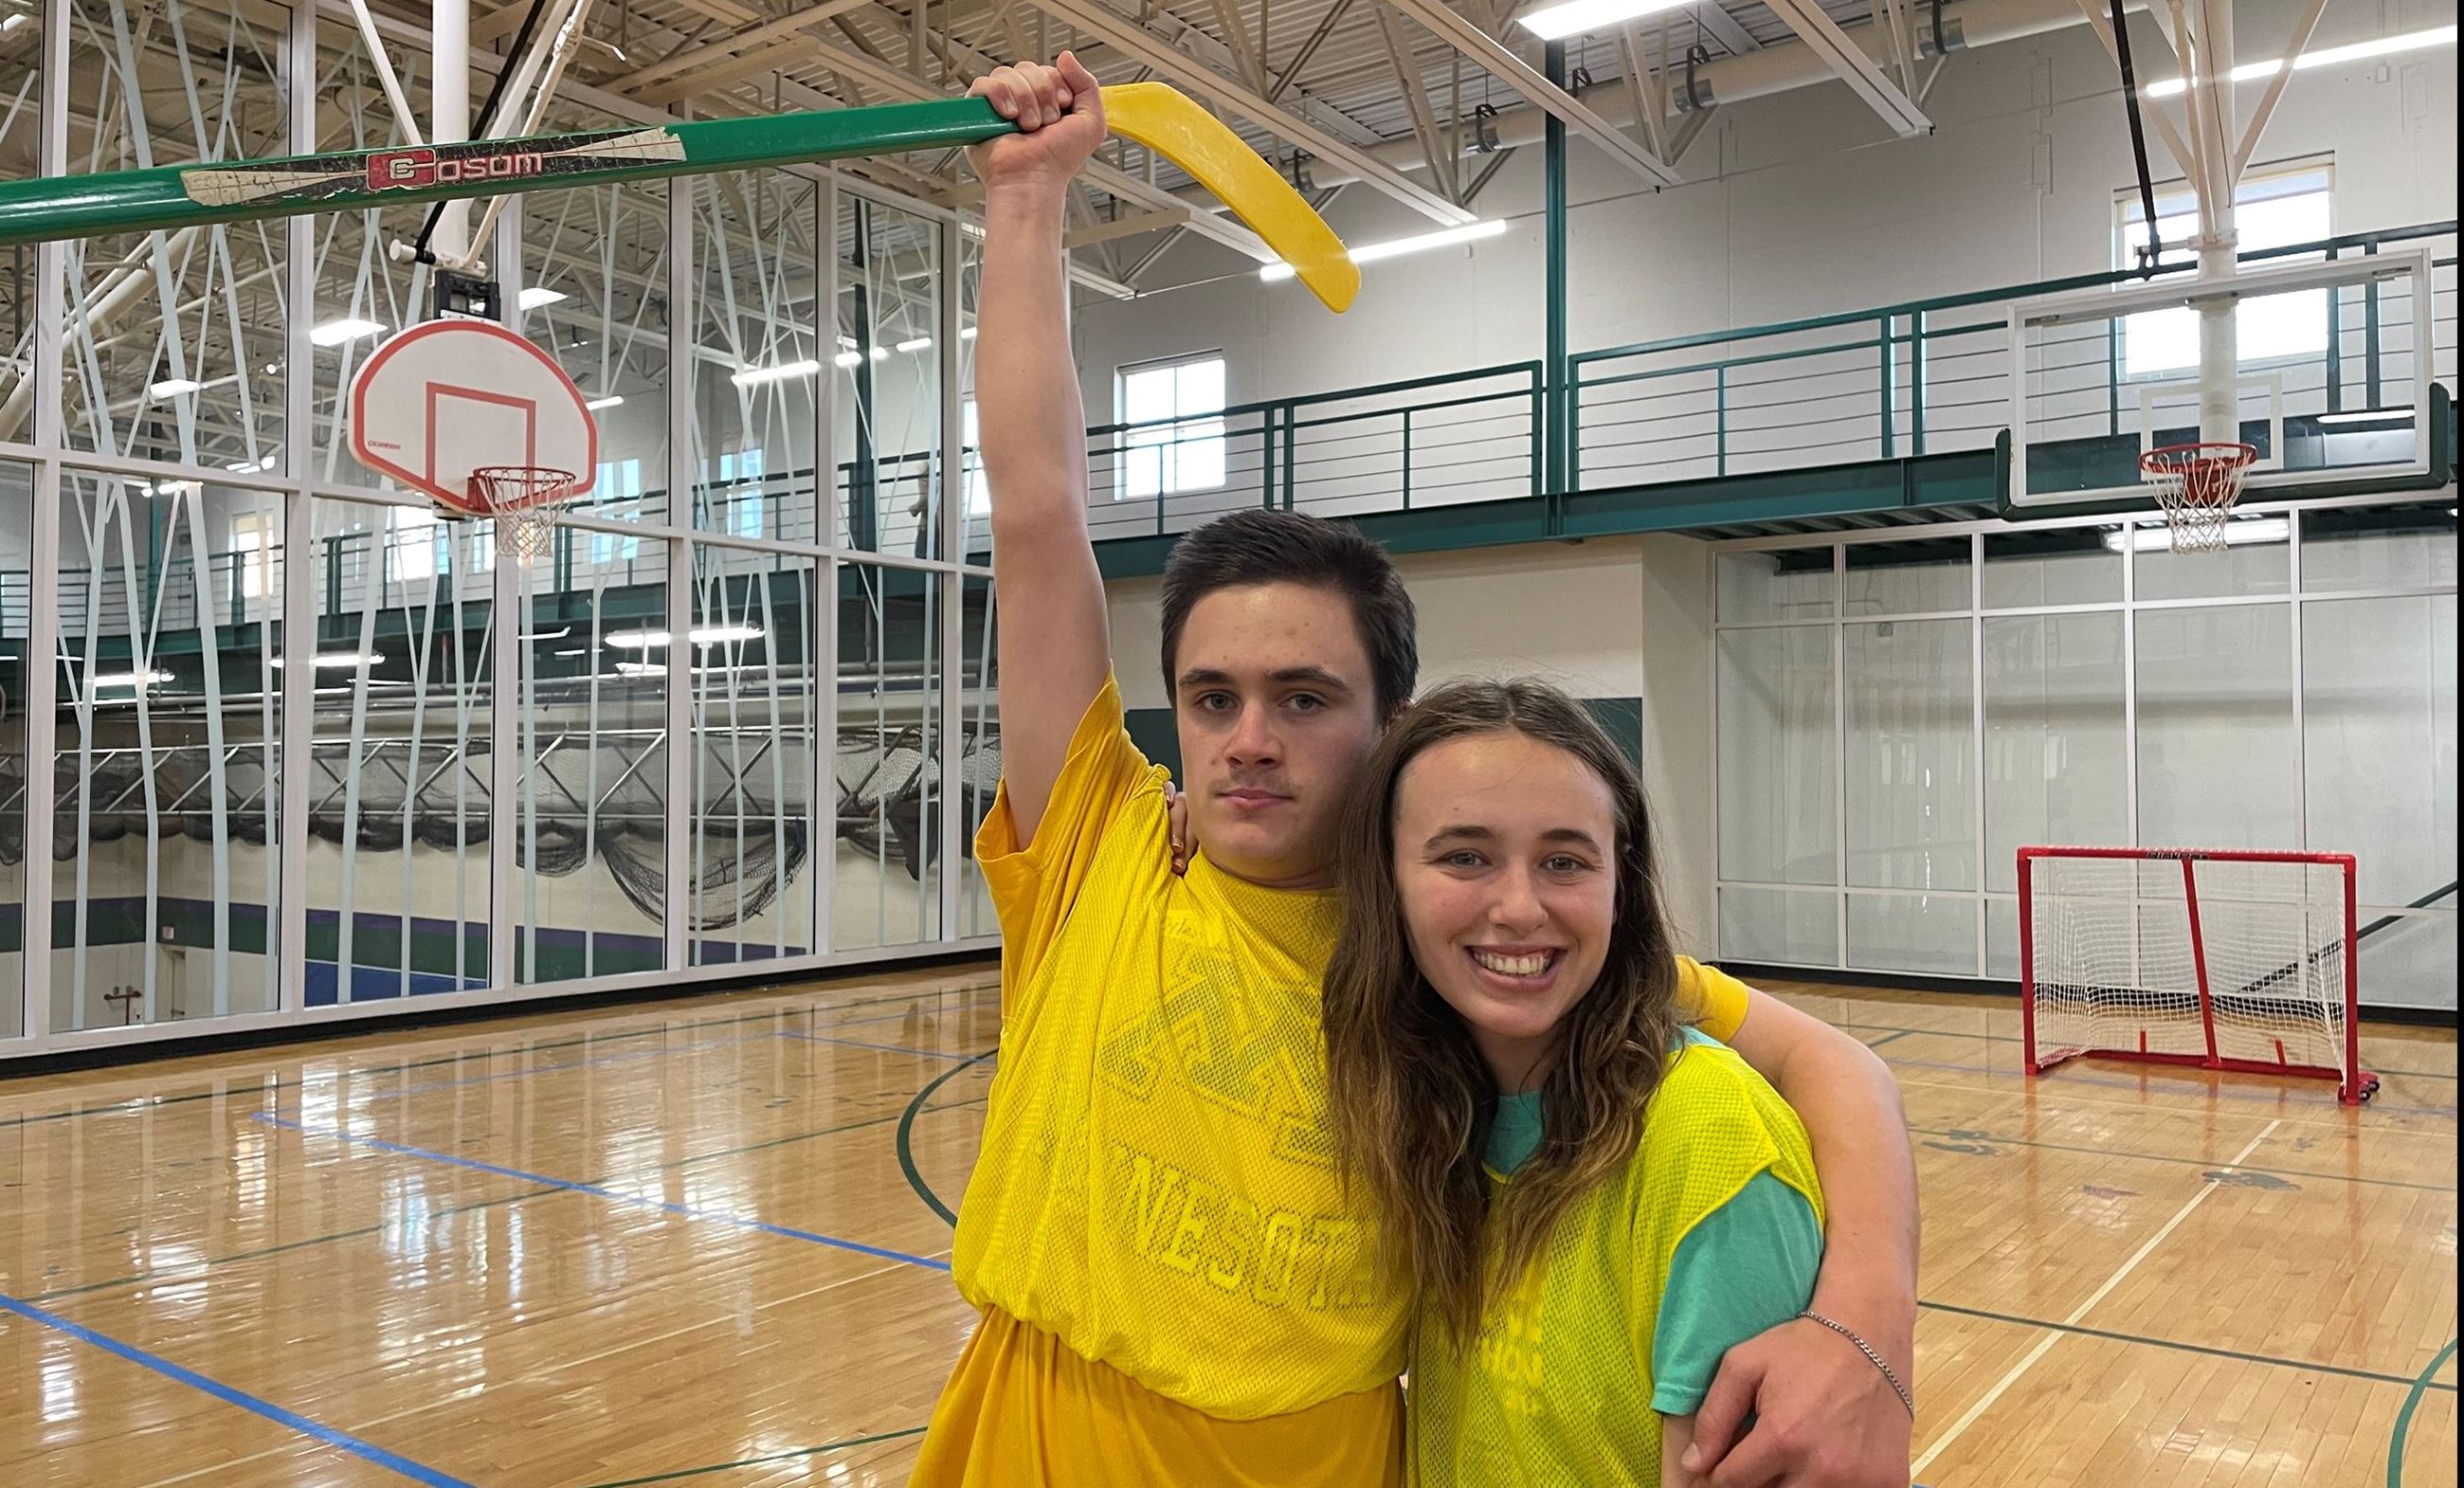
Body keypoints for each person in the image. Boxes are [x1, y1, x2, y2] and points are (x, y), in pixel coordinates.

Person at [910, 53, 1917, 1488]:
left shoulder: (1453, 932)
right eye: (1212, 697)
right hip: (1036, 1426)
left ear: (1387, 726)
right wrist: (1026, 205)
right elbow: (1036, 509)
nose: (1248, 734)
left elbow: (1834, 1064)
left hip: (1321, 1453)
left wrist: (1867, 1321)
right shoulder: (1100, 852)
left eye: (1304, 697)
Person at [1323, 678, 1872, 1486]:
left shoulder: (1709, 1137)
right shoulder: (1428, 1111)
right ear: (1386, 882)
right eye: (1465, 856)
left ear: (1620, 885)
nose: (1518, 907)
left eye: (1564, 861)